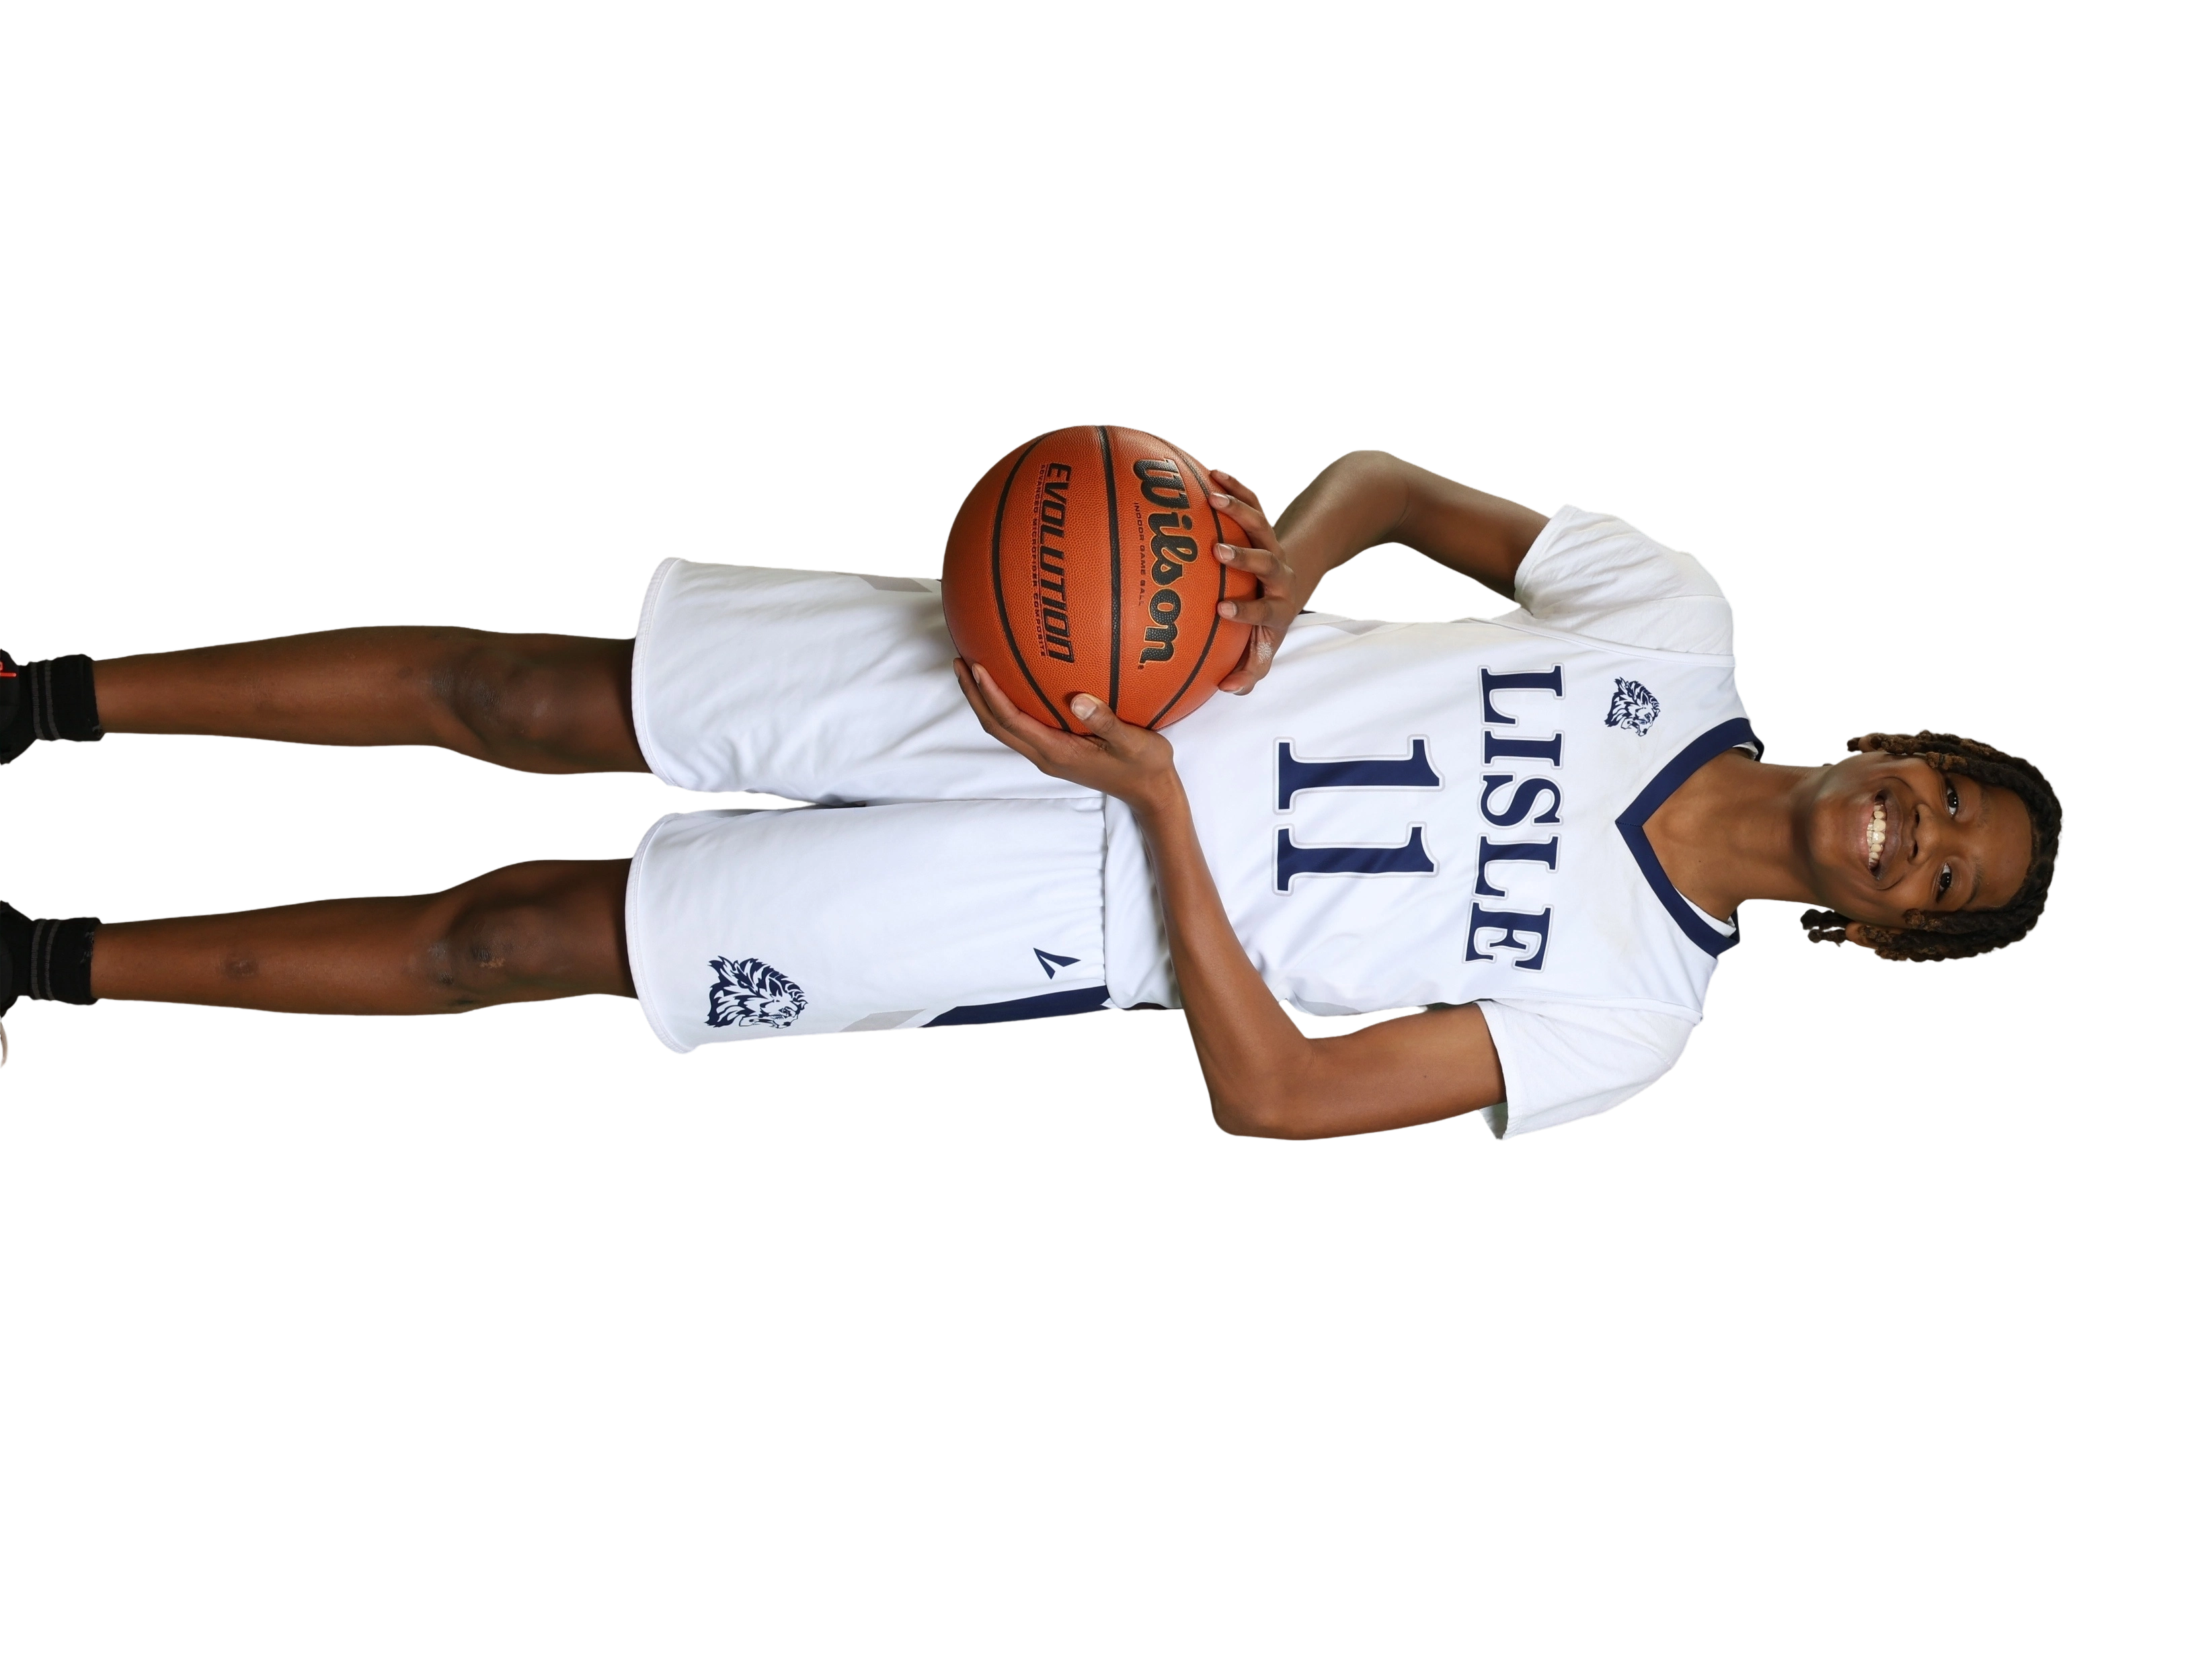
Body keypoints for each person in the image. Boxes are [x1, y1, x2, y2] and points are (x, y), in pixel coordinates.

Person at [0, 448, 2066, 1136]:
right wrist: (1270, 596)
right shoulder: (1671, 626)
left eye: (1945, 882)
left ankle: (47, 964)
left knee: (511, 942)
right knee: (522, 690)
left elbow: (1279, 1098)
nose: (1922, 837)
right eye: (1950, 799)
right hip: (1040, 685)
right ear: (1906, 747)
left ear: (1879, 929)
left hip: (1053, 916)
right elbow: (1379, 485)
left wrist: (1166, 813)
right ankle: (54, 700)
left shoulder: (1636, 1015)